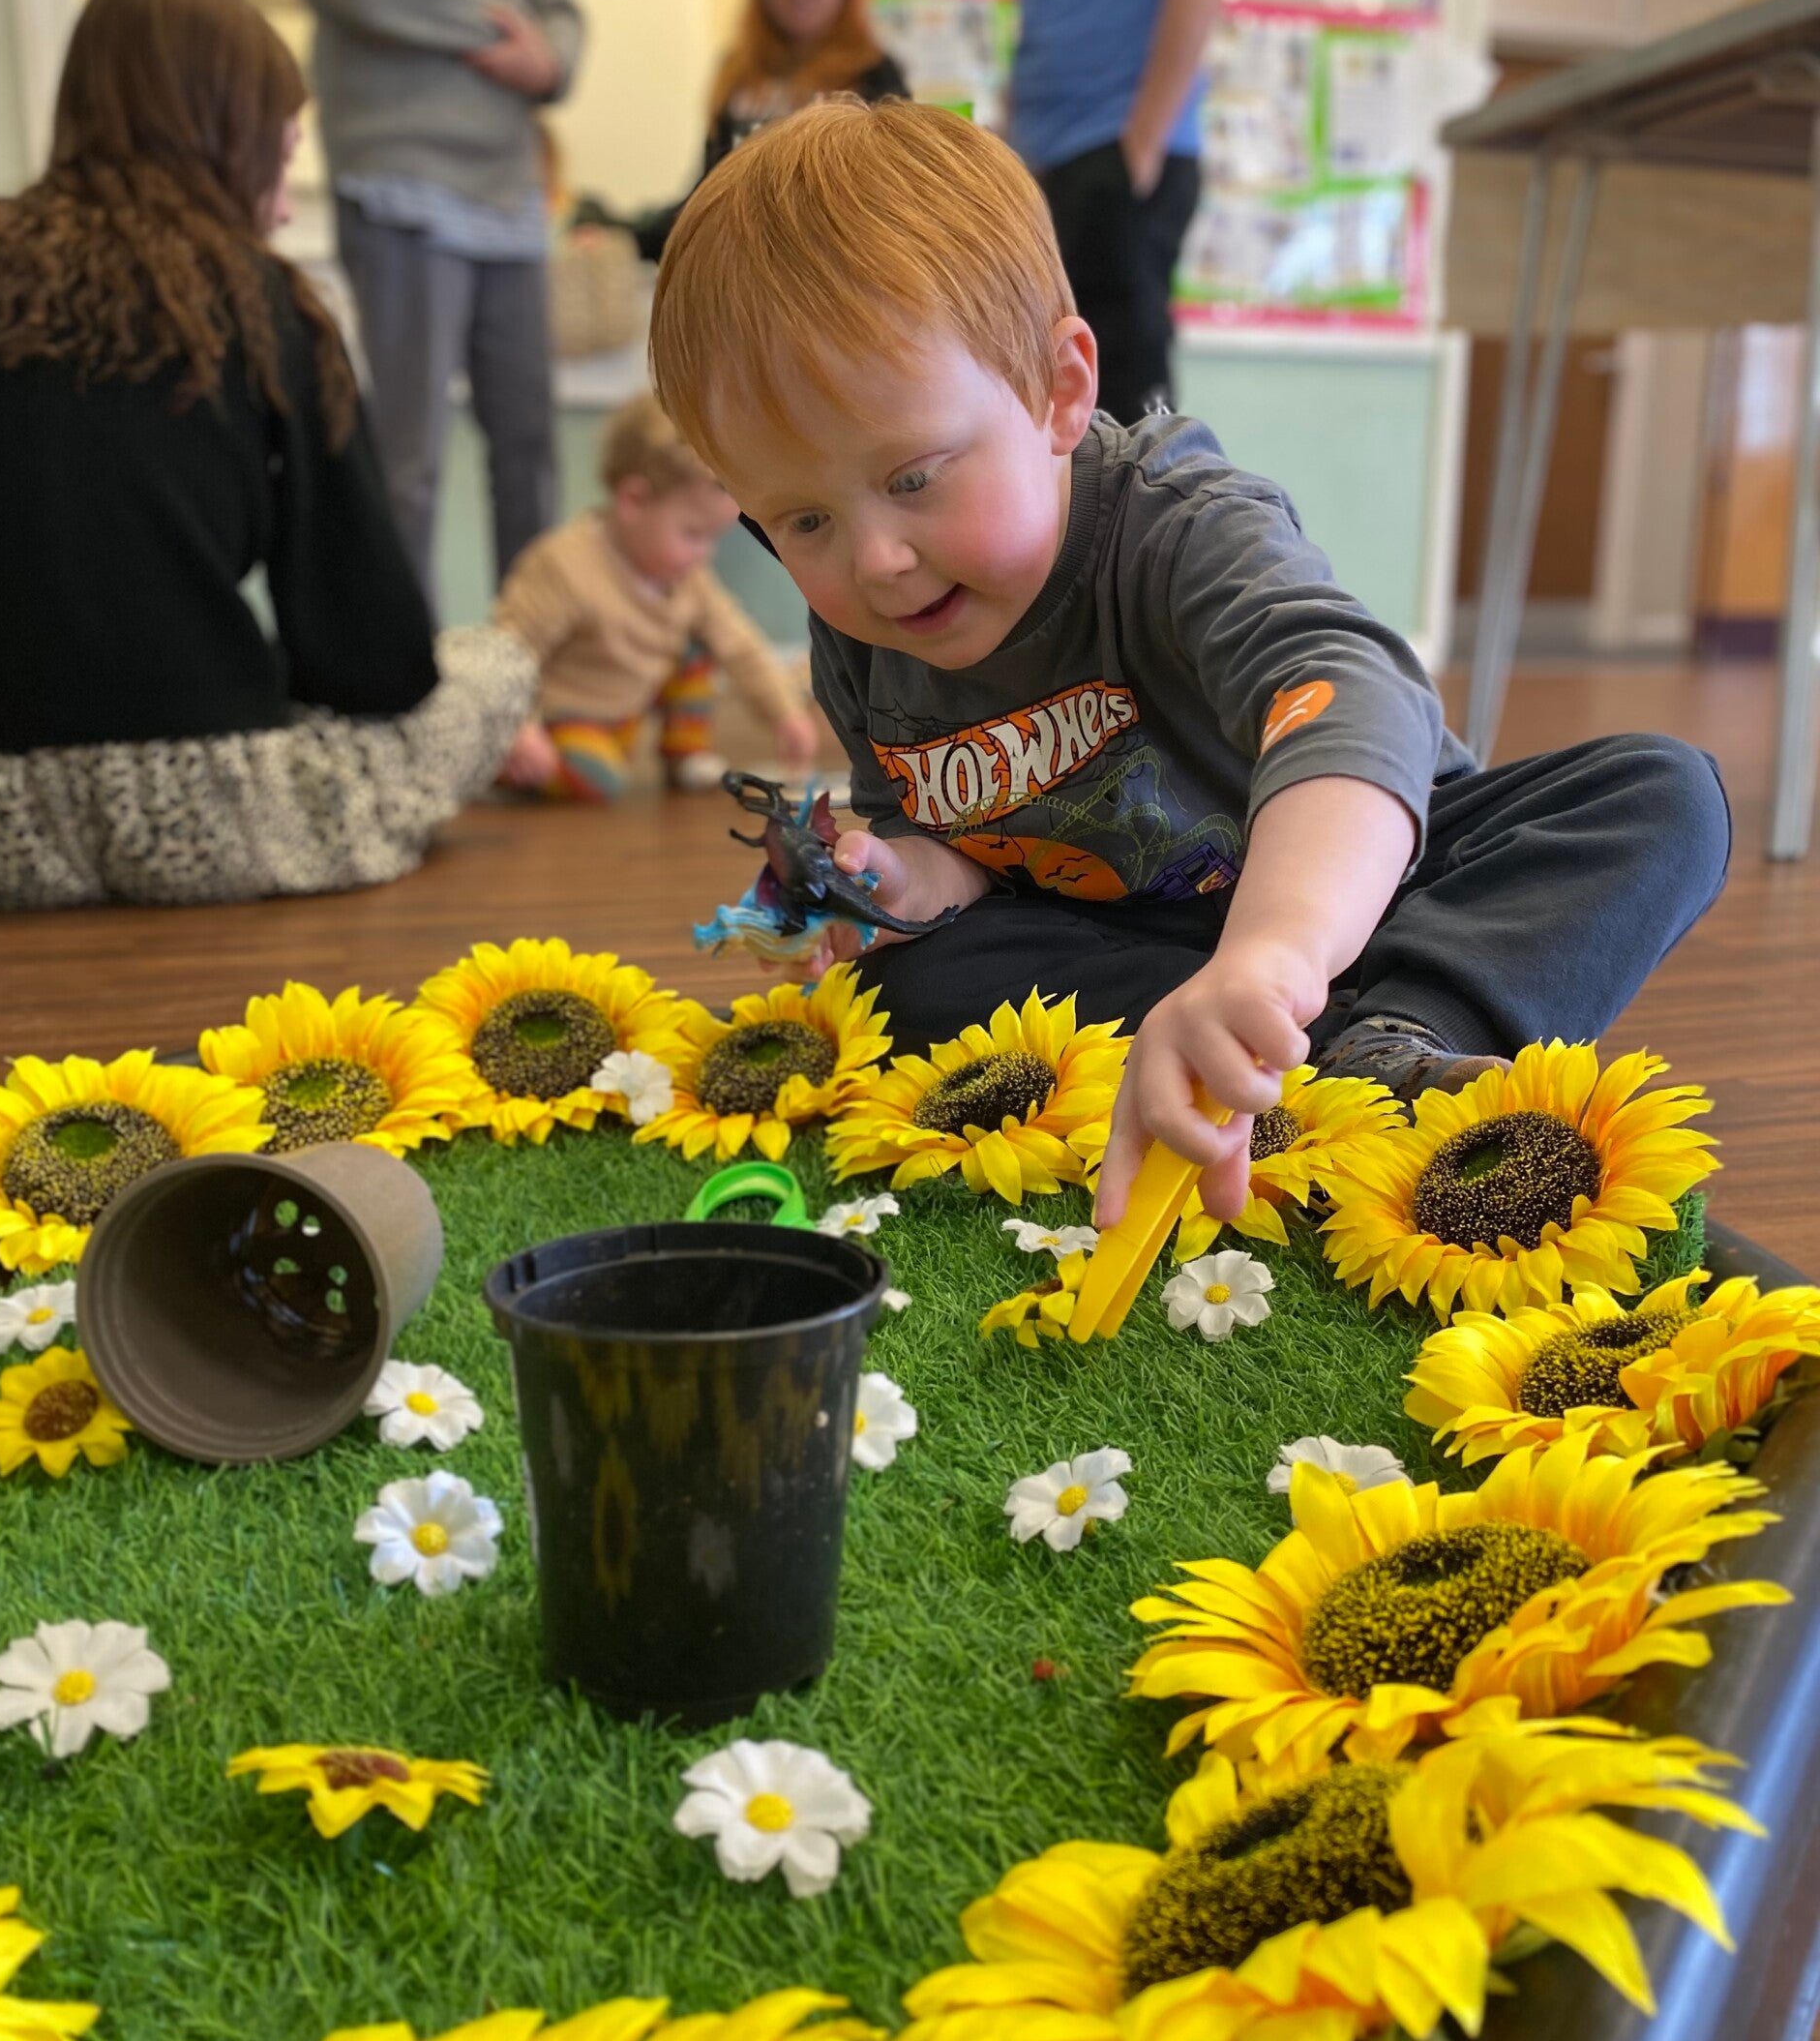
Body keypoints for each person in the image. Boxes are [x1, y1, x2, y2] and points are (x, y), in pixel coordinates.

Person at [645, 98, 1730, 1227]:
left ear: (1060, 392)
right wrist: (898, 882)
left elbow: (1352, 703)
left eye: (913, 477)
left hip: (1373, 881)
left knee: (1662, 796)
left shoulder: (1176, 522)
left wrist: (1273, 957)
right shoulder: (865, 636)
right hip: (1150, 948)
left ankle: (1400, 1029)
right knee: (903, 977)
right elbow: (951, 844)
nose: (875, 561)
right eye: (804, 522)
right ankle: (1302, 1055)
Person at [0, 0, 535, 912]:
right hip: (206, 817)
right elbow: (375, 662)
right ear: (231, 131)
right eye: (285, 136)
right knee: (495, 660)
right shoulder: (262, 300)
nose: (284, 190)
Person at [270, 0, 582, 606]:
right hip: (401, 176)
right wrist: (505, 29)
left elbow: (562, 14)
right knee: (409, 460)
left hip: (509, 188)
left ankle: (535, 653)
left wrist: (547, 58)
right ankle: (403, 663)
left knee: (530, 448)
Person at [976, 0, 1229, 423]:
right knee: (1052, 412)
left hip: (1113, 152)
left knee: (1122, 413)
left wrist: (1140, 146)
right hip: (1051, 156)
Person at [493, 395, 819, 801]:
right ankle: (504, 768)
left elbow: (739, 643)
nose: (704, 555)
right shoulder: (564, 567)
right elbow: (508, 655)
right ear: (633, 501)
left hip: (625, 716)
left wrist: (786, 713)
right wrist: (518, 730)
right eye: (692, 534)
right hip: (561, 720)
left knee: (702, 642)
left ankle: (685, 754)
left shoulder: (688, 579)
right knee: (601, 780)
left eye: (712, 539)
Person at [627, 0, 907, 262]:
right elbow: (708, 193)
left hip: (836, 274)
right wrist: (626, 234)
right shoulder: (736, 73)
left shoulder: (876, 73)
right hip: (742, 272)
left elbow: (892, 200)